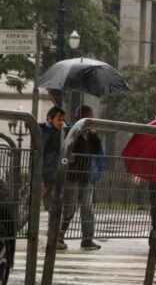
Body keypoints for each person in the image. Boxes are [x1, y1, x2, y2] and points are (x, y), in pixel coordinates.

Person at [59, 105, 102, 250]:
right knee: (69, 208)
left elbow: (96, 149)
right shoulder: (72, 131)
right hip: (73, 175)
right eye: (90, 116)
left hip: (86, 176)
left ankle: (87, 238)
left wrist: (94, 135)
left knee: (87, 208)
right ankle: (59, 235)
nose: (92, 119)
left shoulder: (90, 134)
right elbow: (68, 148)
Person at [40, 106, 67, 250]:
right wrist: (39, 178)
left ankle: (54, 239)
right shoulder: (45, 133)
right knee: (28, 208)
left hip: (55, 178)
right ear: (49, 119)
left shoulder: (60, 133)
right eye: (59, 119)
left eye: (63, 120)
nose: (61, 122)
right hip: (45, 178)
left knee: (55, 210)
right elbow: (39, 155)